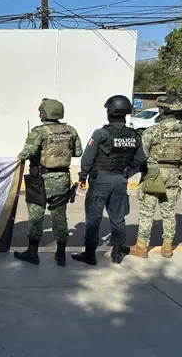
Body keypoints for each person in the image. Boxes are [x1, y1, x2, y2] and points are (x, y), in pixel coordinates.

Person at [73, 95, 146, 265]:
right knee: (118, 218)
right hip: (120, 181)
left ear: (110, 112)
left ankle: (90, 255)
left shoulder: (100, 134)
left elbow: (87, 159)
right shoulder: (134, 135)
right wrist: (126, 173)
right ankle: (117, 253)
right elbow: (140, 160)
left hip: (100, 181)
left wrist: (83, 176)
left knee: (93, 218)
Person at [14, 98, 83, 266]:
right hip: (61, 180)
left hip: (39, 180)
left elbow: (26, 153)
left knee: (36, 217)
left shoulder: (39, 132)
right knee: (59, 217)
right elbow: (78, 152)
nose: (40, 114)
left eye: (41, 112)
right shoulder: (70, 130)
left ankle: (32, 253)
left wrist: (17, 158)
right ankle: (61, 254)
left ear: (44, 114)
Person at [129, 95, 182, 259]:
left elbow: (143, 154)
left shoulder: (153, 131)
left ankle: (141, 247)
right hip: (174, 174)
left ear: (163, 110)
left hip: (154, 174)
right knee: (169, 212)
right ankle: (167, 248)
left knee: (147, 212)